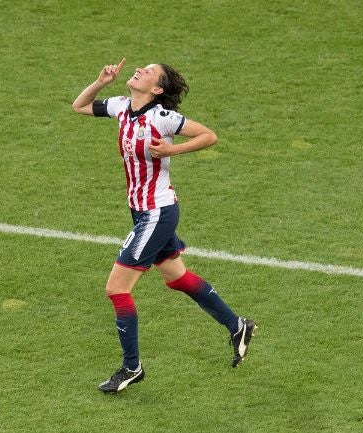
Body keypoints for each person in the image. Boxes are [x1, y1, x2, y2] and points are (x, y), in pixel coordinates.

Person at [72, 58, 257, 393]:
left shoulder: (162, 117)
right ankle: (237, 325)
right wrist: (101, 81)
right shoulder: (122, 107)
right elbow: (79, 106)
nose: (140, 70)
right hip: (142, 210)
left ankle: (132, 368)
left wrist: (174, 149)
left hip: (157, 212)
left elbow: (209, 135)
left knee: (117, 289)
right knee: (177, 277)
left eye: (149, 71)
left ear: (156, 89)